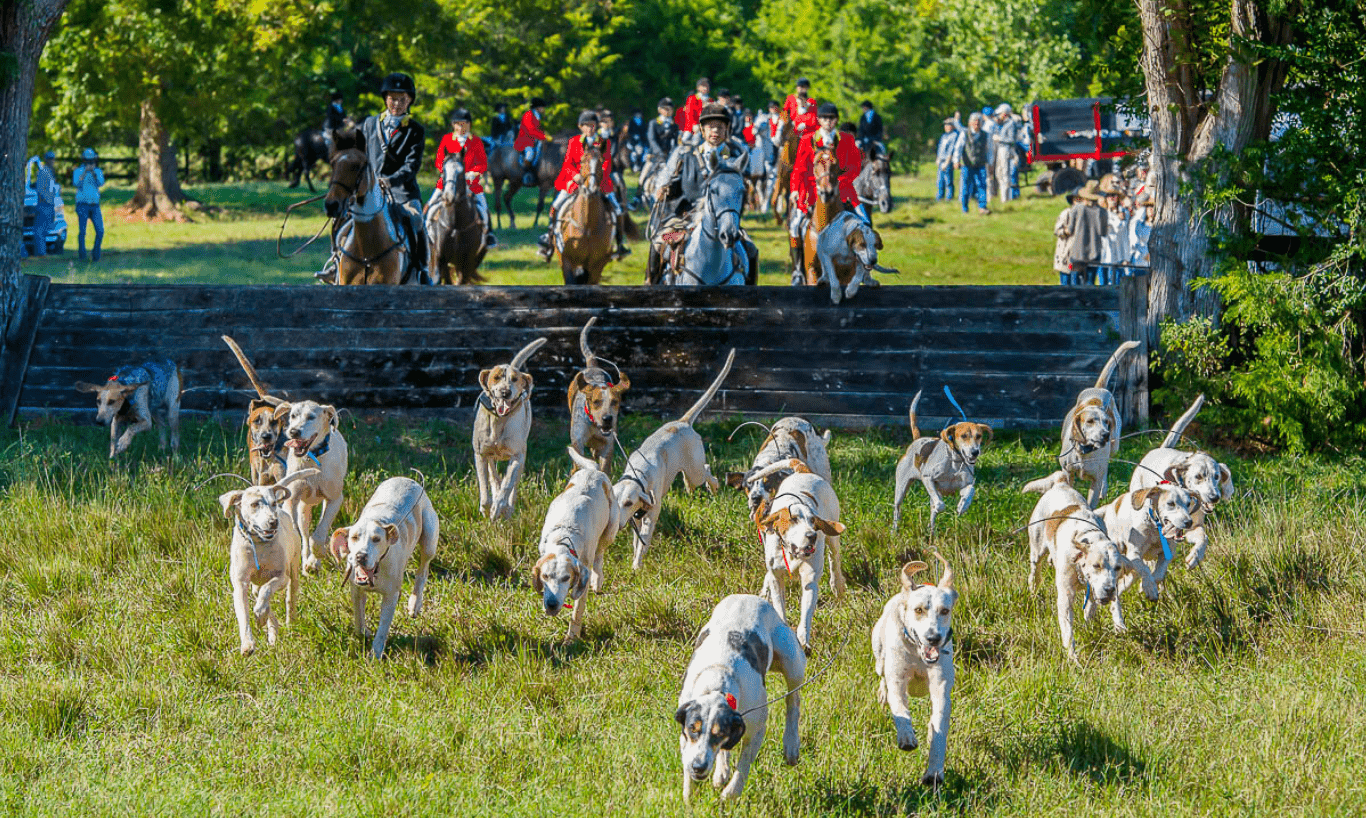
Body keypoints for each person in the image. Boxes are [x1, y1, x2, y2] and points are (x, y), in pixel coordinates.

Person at [653, 102, 757, 277]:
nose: (715, 131)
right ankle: (651, 287)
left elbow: (743, 188)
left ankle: (750, 298)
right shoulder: (684, 155)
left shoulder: (736, 156)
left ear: (727, 130)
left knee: (750, 249)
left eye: (720, 127)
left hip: (724, 220)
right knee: (658, 243)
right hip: (684, 219)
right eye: (710, 127)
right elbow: (671, 181)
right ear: (702, 130)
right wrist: (664, 189)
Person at [358, 72, 429, 283]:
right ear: (385, 98)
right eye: (392, 98)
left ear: (409, 101)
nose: (396, 103)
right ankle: (336, 262)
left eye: (402, 99)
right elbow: (361, 156)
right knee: (343, 217)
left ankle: (421, 268)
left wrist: (390, 180)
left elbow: (412, 165)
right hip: (370, 189)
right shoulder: (369, 124)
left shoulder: (415, 130)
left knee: (416, 220)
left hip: (402, 191)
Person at [539, 110, 629, 261]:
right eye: (586, 125)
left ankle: (620, 244)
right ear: (580, 127)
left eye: (592, 125)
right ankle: (549, 240)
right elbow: (568, 164)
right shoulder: (574, 142)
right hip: (576, 182)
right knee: (555, 205)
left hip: (599, 182)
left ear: (596, 126)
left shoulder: (603, 142)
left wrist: (597, 178)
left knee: (618, 209)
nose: (590, 128)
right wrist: (575, 175)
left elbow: (607, 164)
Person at [788, 102, 862, 280]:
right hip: (810, 192)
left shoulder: (846, 139)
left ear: (836, 120)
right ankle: (798, 269)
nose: (828, 121)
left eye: (832, 118)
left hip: (839, 191)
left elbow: (854, 166)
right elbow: (799, 168)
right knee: (795, 225)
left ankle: (863, 265)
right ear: (819, 120)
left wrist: (839, 181)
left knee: (861, 224)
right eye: (825, 118)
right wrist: (795, 190)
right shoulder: (807, 139)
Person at [428, 108, 496, 248]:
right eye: (458, 124)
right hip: (449, 182)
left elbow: (482, 164)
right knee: (430, 208)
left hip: (470, 183)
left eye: (464, 124)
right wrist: (446, 173)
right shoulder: (447, 139)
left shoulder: (476, 141)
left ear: (469, 125)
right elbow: (439, 161)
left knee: (483, 207)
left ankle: (488, 234)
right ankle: (427, 234)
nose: (461, 127)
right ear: (453, 125)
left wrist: (472, 173)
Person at [1065, 181, 1108, 284]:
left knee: (1075, 283)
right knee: (1090, 283)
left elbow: (1070, 230)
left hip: (1077, 252)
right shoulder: (1102, 212)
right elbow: (1103, 232)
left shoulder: (1076, 209)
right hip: (1094, 252)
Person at [73, 147, 105, 262]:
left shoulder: (98, 171)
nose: (90, 163)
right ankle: (82, 255)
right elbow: (76, 183)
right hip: (82, 204)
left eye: (92, 161)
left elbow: (100, 183)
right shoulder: (78, 171)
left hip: (94, 205)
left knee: (100, 231)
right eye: (88, 161)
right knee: (82, 231)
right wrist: (85, 172)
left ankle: (95, 254)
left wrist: (93, 173)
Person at [955, 112, 990, 215]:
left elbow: (989, 150)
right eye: (974, 121)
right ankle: (964, 208)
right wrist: (956, 160)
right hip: (967, 164)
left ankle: (982, 207)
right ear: (970, 123)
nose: (977, 124)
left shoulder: (985, 135)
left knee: (982, 185)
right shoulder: (964, 133)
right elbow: (958, 148)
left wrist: (990, 163)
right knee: (966, 186)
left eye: (979, 122)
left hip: (980, 164)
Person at [513, 97, 551, 186]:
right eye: (542, 107)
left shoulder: (537, 115)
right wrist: (544, 136)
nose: (543, 109)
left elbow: (538, 129)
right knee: (529, 155)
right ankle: (526, 174)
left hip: (535, 139)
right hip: (525, 140)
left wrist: (545, 135)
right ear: (537, 107)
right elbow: (531, 130)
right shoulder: (528, 115)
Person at [990, 103, 1021, 204]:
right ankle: (1003, 197)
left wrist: (999, 138)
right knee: (999, 173)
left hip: (1006, 150)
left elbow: (1012, 139)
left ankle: (1006, 198)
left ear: (1004, 114)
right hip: (1000, 149)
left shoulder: (1011, 124)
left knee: (1005, 173)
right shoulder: (1003, 124)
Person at [30, 151, 58, 257]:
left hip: (50, 204)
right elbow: (40, 189)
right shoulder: (42, 172)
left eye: (53, 158)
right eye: (49, 158)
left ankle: (41, 251)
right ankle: (40, 253)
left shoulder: (50, 172)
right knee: (40, 230)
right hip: (43, 204)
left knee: (46, 229)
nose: (52, 160)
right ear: (45, 160)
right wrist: (48, 200)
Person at [935, 117, 958, 201]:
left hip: (947, 161)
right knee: (940, 181)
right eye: (945, 125)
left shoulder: (954, 135)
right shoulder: (944, 136)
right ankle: (939, 197)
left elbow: (951, 150)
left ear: (953, 126)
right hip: (941, 160)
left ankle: (949, 198)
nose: (946, 126)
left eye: (948, 125)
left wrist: (947, 162)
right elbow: (940, 148)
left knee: (948, 181)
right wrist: (938, 158)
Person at [1129, 192, 1154, 269]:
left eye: (1152, 207)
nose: (1150, 209)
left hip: (1154, 262)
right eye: (1148, 206)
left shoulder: (1159, 226)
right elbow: (1134, 242)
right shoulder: (1139, 224)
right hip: (1139, 261)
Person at [626, 107, 649, 172]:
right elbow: (629, 131)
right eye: (637, 114)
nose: (638, 115)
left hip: (642, 140)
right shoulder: (632, 122)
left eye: (639, 114)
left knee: (645, 150)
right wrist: (634, 135)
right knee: (634, 153)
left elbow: (645, 130)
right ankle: (634, 165)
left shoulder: (643, 122)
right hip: (633, 140)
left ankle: (642, 165)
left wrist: (643, 135)